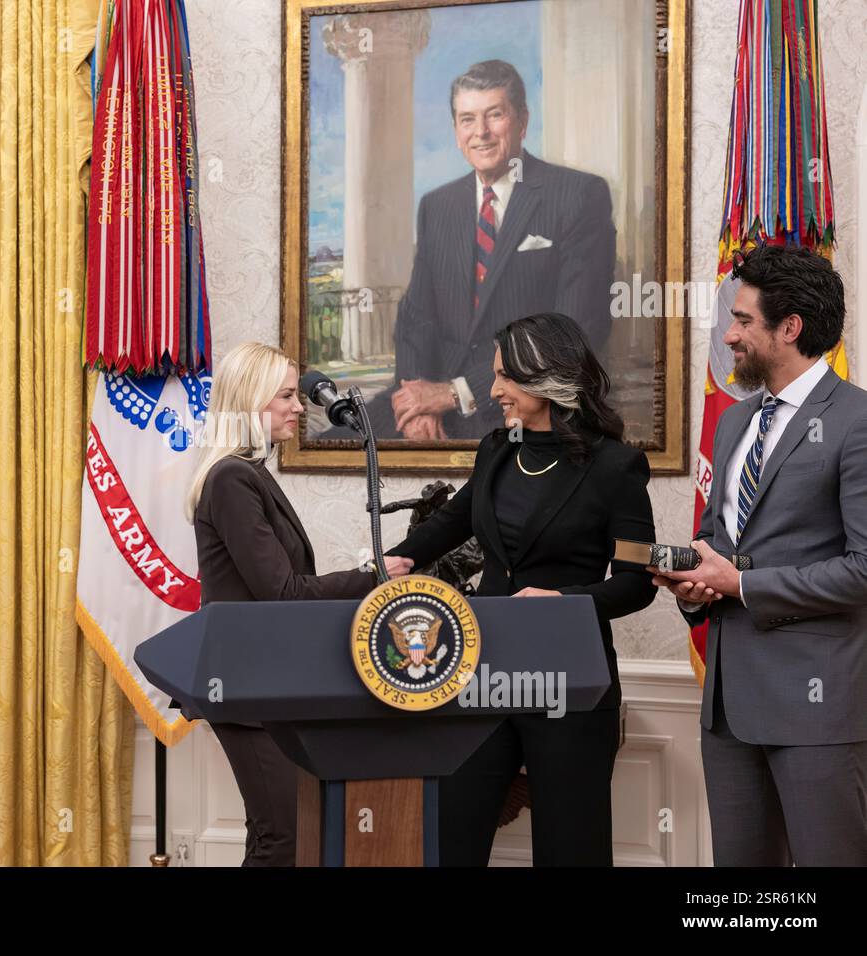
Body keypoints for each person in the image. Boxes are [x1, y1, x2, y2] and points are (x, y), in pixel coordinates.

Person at [386, 313, 656, 865]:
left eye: (505, 376)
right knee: (450, 838)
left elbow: (636, 582)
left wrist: (566, 603)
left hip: (569, 685)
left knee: (570, 849)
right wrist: (398, 558)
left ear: (544, 377)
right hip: (482, 675)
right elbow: (455, 519)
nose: (493, 391)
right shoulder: (496, 450)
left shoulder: (617, 468)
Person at [650, 244, 867, 866]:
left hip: (817, 710)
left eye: (743, 320)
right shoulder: (734, 423)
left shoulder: (855, 422)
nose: (730, 334)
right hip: (727, 707)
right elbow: (726, 546)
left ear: (790, 328)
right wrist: (698, 582)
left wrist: (742, 584)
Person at [186, 341, 413, 865]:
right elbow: (282, 592)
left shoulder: (249, 472)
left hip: (267, 682)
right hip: (245, 688)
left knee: (277, 832)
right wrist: (371, 577)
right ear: (250, 399)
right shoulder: (231, 477)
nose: (298, 406)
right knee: (282, 837)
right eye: (285, 395)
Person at [361, 59, 616, 442]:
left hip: (525, 409)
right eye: (467, 119)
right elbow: (416, 318)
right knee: (334, 443)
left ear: (522, 120)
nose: (480, 132)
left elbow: (575, 330)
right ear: (455, 129)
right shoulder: (438, 206)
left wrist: (455, 393)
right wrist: (414, 403)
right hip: (429, 403)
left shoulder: (578, 196)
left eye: (494, 115)